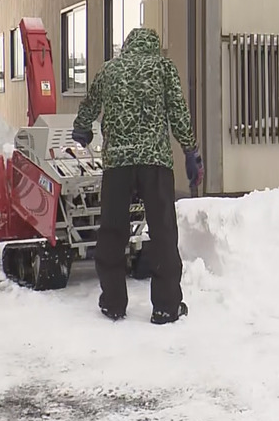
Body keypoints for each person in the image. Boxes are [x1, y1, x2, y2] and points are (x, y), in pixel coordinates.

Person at [72, 27, 203, 324]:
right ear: (154, 47)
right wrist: (190, 150)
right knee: (163, 233)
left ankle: (113, 302)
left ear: (128, 46)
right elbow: (178, 112)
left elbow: (90, 104)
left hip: (118, 163)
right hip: (154, 163)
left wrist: (82, 127)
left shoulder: (110, 69)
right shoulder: (163, 67)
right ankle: (166, 307)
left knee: (112, 233)